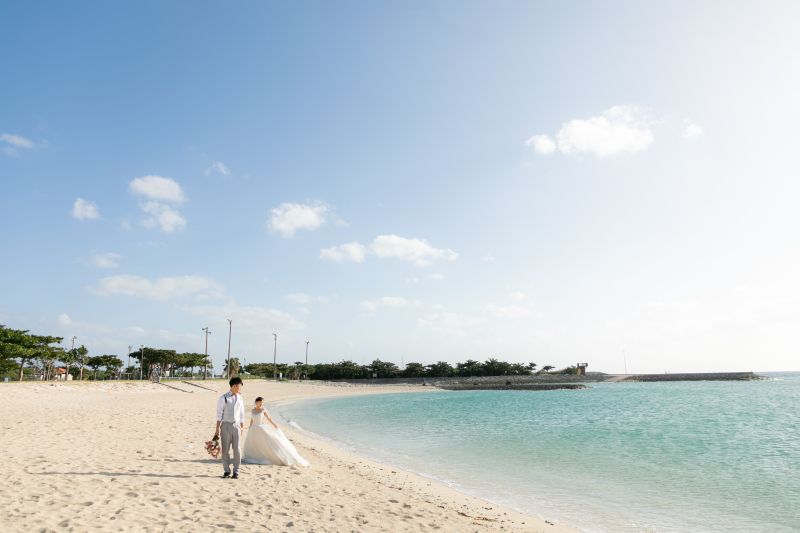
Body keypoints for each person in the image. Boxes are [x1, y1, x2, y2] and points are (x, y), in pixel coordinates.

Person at [242, 397, 310, 467]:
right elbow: (252, 419)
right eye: (260, 402)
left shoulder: (263, 410)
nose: (261, 403)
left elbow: (269, 418)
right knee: (254, 443)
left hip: (261, 427)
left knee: (266, 442)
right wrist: (250, 427)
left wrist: (275, 425)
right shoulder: (253, 410)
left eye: (262, 402)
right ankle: (255, 456)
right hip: (253, 428)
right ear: (256, 402)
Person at [215, 377, 245, 478]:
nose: (240, 388)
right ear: (234, 386)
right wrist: (217, 430)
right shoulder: (223, 398)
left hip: (236, 425)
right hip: (226, 425)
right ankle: (226, 470)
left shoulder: (240, 398)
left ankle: (236, 471)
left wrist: (242, 427)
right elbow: (219, 415)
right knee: (225, 449)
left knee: (237, 449)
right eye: (239, 386)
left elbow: (241, 413)